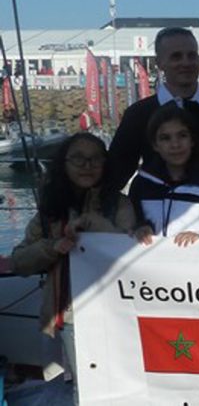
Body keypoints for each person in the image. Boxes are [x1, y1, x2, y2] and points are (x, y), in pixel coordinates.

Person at [11, 133, 138, 389]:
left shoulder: (120, 205)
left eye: (95, 159)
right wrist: (52, 247)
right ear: (64, 163)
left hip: (109, 321)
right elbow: (20, 262)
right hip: (57, 321)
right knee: (60, 391)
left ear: (105, 163)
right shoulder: (49, 210)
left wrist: (94, 226)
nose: (87, 165)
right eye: (78, 159)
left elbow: (129, 253)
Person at [107, 27, 199, 190]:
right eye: (176, 56)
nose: (186, 63)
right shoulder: (138, 115)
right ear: (159, 63)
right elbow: (116, 173)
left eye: (192, 55)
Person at [128, 105, 199, 246]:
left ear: (192, 140)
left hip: (197, 262)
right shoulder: (142, 184)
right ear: (155, 145)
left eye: (182, 136)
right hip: (149, 264)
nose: (175, 145)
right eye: (165, 138)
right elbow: (130, 223)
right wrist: (139, 227)